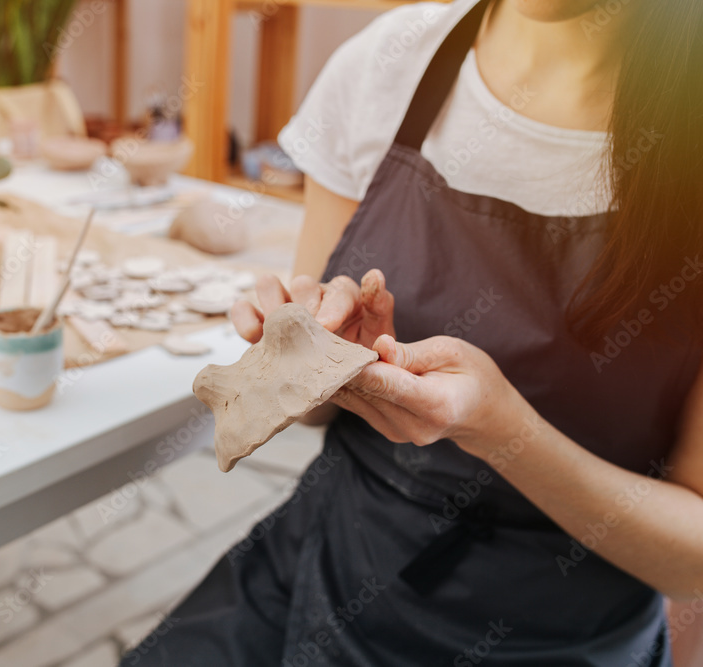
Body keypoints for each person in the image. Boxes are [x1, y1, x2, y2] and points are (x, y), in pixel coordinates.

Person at [121, 0, 703, 664]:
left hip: (562, 630)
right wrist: (312, 357)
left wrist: (505, 433)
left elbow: (693, 565)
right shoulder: (388, 66)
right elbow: (312, 414)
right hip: (337, 555)